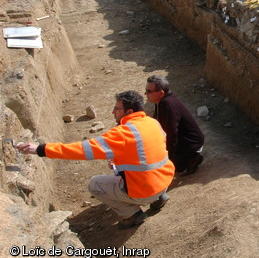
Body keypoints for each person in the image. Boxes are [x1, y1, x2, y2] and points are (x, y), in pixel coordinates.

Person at [16, 91, 174, 229]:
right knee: (128, 170)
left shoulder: (122, 134)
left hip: (145, 191)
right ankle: (160, 197)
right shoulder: (152, 123)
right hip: (165, 180)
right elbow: (150, 152)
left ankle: (132, 214)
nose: (113, 112)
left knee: (95, 184)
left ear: (129, 111)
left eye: (117, 109)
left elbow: (81, 150)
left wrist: (40, 149)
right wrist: (120, 159)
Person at [145, 75, 205, 177]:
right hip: (183, 141)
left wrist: (167, 157)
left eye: (149, 91)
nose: (145, 93)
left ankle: (193, 158)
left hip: (190, 144)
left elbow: (171, 133)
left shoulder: (168, 105)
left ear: (161, 93)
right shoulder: (161, 102)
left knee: (174, 167)